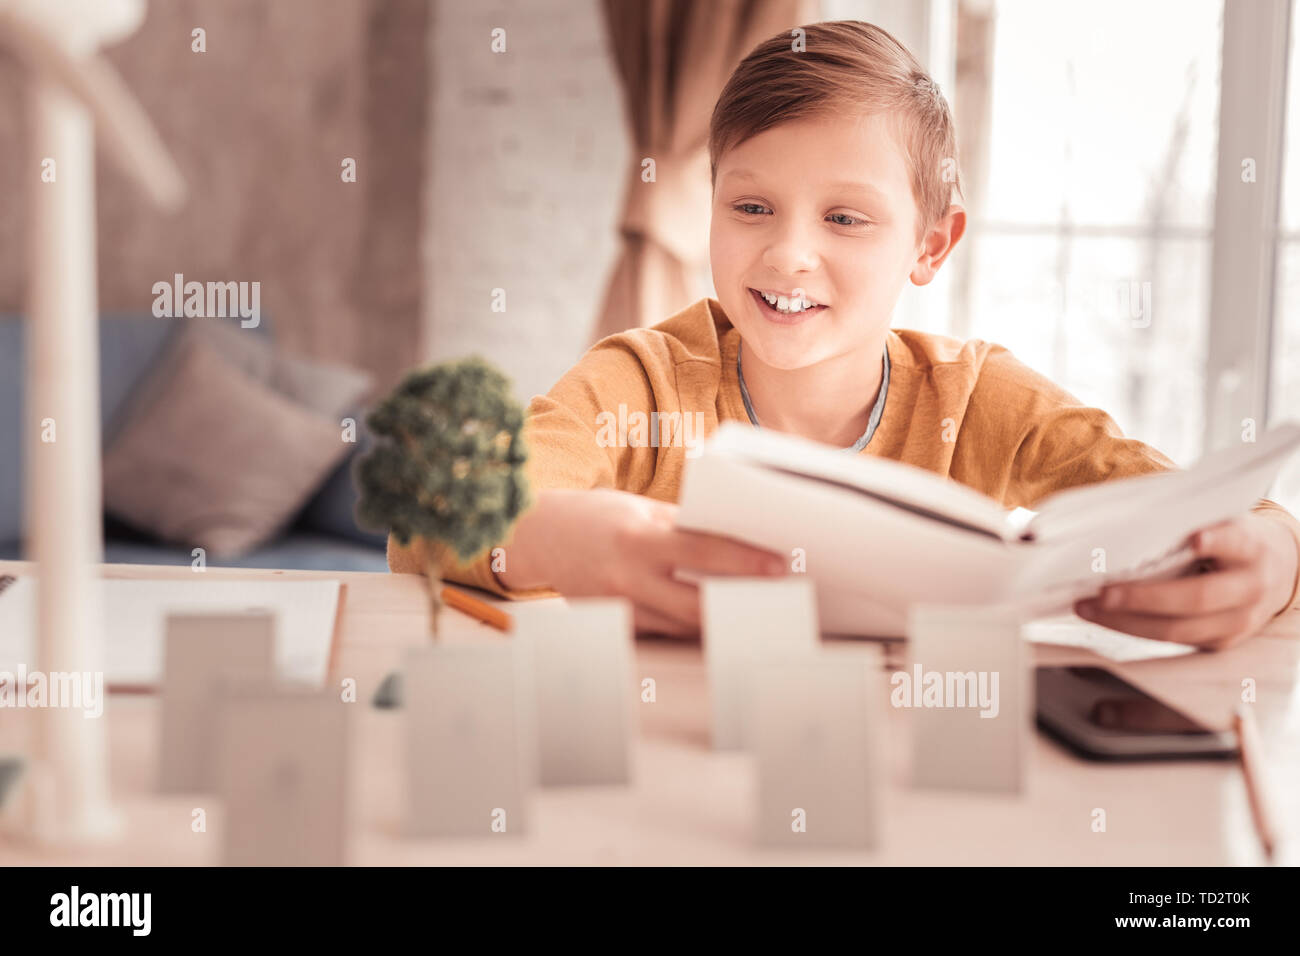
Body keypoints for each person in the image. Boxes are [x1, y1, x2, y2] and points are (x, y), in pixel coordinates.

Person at [391, 20, 1300, 651]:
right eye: (751, 206)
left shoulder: (980, 400)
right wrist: (558, 539)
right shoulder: (645, 382)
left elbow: (1202, 516)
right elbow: (427, 526)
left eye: (845, 219)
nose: (787, 254)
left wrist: (1275, 558)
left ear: (930, 245)